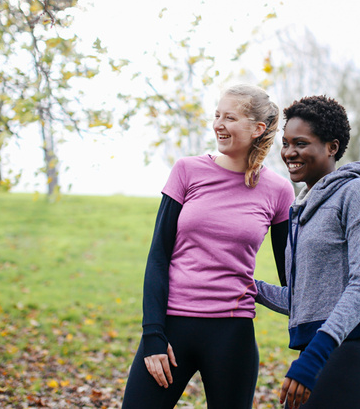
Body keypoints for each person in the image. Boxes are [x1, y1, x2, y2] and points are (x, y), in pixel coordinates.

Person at [121, 84, 296, 409]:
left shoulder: (279, 191)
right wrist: (153, 334)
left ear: (257, 129)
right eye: (217, 115)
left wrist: (311, 346)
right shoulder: (187, 171)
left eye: (229, 117)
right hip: (172, 328)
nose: (218, 124)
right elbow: (158, 256)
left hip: (232, 333)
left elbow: (294, 279)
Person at [254, 95, 360, 408]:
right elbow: (304, 298)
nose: (290, 152)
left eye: (301, 143)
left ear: (332, 147)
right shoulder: (302, 208)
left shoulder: (358, 194)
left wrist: (315, 355)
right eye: (286, 143)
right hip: (325, 349)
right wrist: (250, 288)